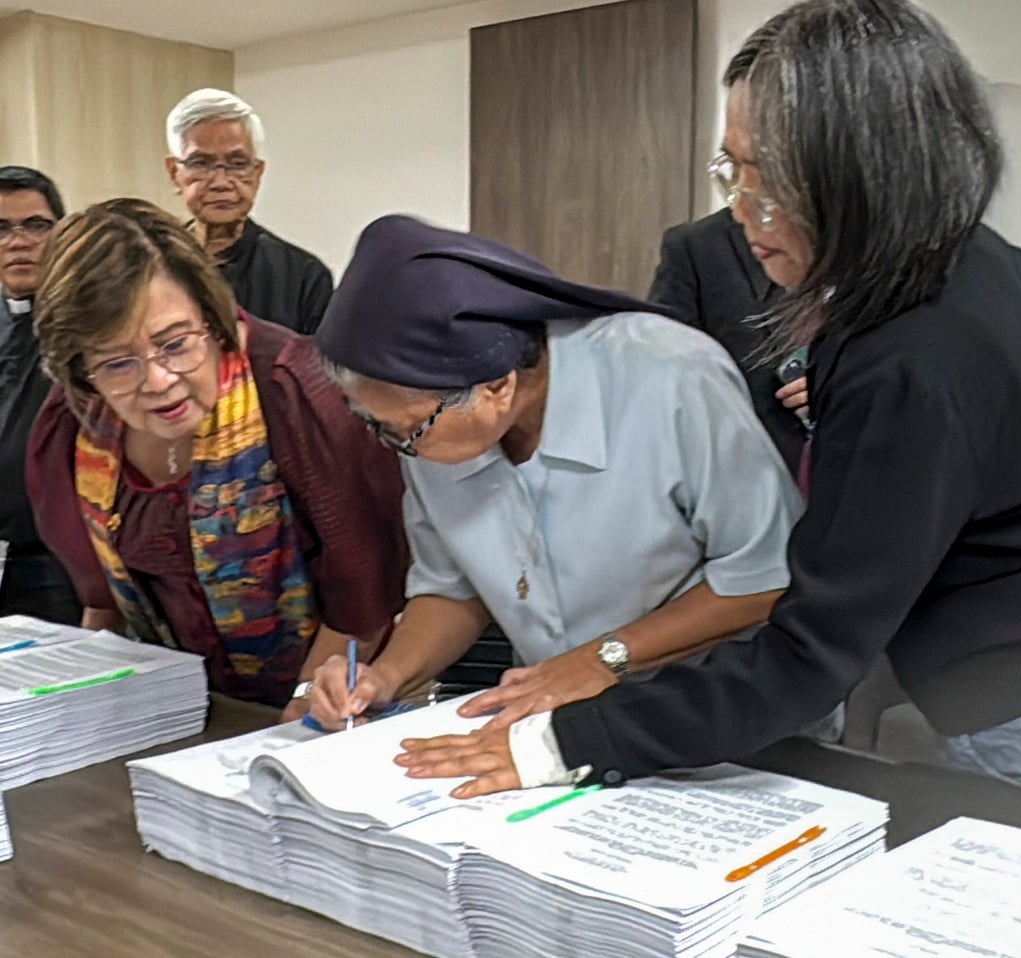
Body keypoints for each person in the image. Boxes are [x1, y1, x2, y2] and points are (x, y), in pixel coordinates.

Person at [387, 0, 1021, 795]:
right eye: (732, 169)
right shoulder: (968, 265)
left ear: (866, 171)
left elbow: (811, 648)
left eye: (769, 176)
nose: (741, 208)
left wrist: (567, 740)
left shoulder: (914, 355)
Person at [308, 214, 802, 738]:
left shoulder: (670, 375)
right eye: (380, 427)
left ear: (497, 386)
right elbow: (452, 588)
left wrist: (600, 660)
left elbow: (765, 575)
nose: (401, 447)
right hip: (568, 724)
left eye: (409, 431)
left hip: (725, 710)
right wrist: (383, 679)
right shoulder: (432, 411)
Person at [27, 199, 406, 718]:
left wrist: (298, 711)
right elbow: (103, 605)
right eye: (117, 362)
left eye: (175, 343)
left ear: (213, 314)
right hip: (166, 710)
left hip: (316, 703)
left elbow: (365, 602)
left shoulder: (297, 393)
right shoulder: (77, 420)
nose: (157, 380)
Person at [649, 208, 808, 475]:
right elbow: (662, 379)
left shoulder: (876, 232)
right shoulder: (698, 247)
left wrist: (840, 385)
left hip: (864, 468)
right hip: (742, 479)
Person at [165, 88, 333, 335]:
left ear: (258, 173)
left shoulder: (304, 276)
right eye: (201, 163)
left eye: (237, 164)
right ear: (174, 173)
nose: (221, 182)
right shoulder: (153, 262)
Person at [0, 165, 80, 625]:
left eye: (35, 224)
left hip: (57, 564)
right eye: (2, 228)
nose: (18, 240)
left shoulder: (86, 322)